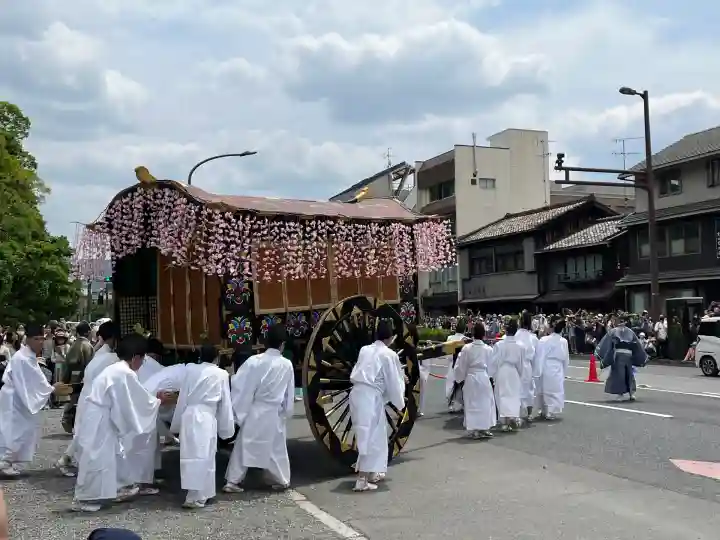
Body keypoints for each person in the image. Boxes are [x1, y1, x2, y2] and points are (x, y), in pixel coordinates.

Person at [72, 334, 172, 512]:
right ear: (136, 358)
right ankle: (88, 498)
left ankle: (118, 487)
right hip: (100, 418)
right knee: (98, 456)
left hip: (98, 415)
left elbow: (131, 398)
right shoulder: (124, 373)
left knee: (113, 454)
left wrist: (152, 401)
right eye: (142, 360)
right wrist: (157, 402)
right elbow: (135, 401)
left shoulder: (115, 369)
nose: (141, 364)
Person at [224, 324, 295, 494]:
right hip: (274, 411)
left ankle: (233, 481)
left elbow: (240, 384)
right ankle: (281, 479)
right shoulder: (287, 364)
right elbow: (288, 393)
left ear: (264, 342)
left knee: (244, 445)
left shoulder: (254, 362)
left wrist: (239, 410)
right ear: (282, 344)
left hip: (256, 409)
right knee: (275, 447)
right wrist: (287, 411)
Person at [170, 345, 234, 508]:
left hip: (189, 415)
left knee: (191, 455)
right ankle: (196, 496)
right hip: (206, 415)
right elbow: (225, 402)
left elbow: (182, 397)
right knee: (205, 455)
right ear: (217, 358)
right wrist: (227, 429)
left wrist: (176, 424)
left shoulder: (191, 371)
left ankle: (200, 493)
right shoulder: (221, 374)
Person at [0, 324, 69, 476]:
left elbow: (35, 381)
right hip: (15, 399)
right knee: (14, 430)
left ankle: (12, 462)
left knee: (25, 430)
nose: (40, 342)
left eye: (42, 339)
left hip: (20, 398)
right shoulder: (22, 358)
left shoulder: (28, 356)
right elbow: (32, 381)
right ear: (28, 339)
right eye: (37, 339)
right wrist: (51, 389)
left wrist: (49, 388)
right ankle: (4, 462)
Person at [346, 320, 405, 492]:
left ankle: (370, 473)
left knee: (373, 435)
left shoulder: (365, 350)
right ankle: (362, 479)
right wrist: (400, 396)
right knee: (369, 436)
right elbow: (393, 381)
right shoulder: (389, 354)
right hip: (369, 397)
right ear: (391, 337)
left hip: (358, 393)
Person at [57, 321, 120, 477]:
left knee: (83, 433)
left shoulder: (99, 353)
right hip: (95, 398)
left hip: (87, 395)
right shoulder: (110, 357)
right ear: (113, 338)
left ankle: (67, 460)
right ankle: (69, 461)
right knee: (88, 434)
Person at [454, 322, 496, 439]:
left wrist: (460, 377)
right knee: (485, 403)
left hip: (471, 377)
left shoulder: (467, 348)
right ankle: (484, 427)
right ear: (484, 334)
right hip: (483, 377)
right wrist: (490, 376)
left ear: (473, 334)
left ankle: (475, 429)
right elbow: (492, 367)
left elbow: (460, 365)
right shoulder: (488, 349)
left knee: (472, 403)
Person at [595, 317, 648, 402]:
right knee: (628, 374)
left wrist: (601, 352)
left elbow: (606, 343)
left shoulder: (614, 331)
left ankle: (622, 393)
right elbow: (637, 345)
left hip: (619, 355)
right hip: (626, 355)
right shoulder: (630, 332)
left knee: (621, 374)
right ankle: (630, 393)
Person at [490, 319, 524, 432]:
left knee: (502, 395)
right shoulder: (520, 346)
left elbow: (494, 362)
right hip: (513, 371)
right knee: (513, 395)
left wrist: (492, 374)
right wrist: (520, 374)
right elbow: (520, 363)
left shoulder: (499, 345)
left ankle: (504, 421)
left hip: (502, 371)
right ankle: (512, 417)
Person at [534, 315, 570, 420]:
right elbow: (566, 358)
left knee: (544, 388)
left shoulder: (544, 340)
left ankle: (544, 410)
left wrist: (538, 370)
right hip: (557, 366)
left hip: (546, 365)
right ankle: (550, 411)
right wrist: (564, 370)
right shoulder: (563, 341)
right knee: (555, 390)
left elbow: (540, 355)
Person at [62, 321, 94, 434]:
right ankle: (76, 424)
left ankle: (70, 422)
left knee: (74, 401)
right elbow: (89, 365)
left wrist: (65, 380)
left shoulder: (73, 345)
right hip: (83, 378)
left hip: (72, 378)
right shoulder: (87, 346)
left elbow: (67, 365)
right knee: (82, 404)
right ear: (88, 332)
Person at [515, 310, 539, 425]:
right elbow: (536, 356)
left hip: (516, 365)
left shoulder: (515, 335)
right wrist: (536, 370)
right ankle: (529, 414)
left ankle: (517, 414)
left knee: (517, 388)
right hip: (527, 365)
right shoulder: (533, 337)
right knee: (529, 388)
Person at [445, 319, 469, 413]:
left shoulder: (450, 338)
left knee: (450, 383)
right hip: (461, 364)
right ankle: (462, 404)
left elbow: (447, 355)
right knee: (462, 384)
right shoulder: (465, 339)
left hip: (452, 363)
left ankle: (450, 404)